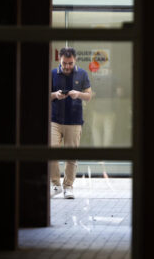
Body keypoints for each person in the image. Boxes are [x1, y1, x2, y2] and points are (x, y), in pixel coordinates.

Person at [50, 47, 92, 199]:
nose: (67, 66)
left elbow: (89, 96)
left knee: (71, 156)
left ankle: (68, 187)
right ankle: (55, 185)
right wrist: (55, 95)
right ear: (59, 60)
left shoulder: (82, 73)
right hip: (54, 119)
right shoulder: (53, 73)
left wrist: (78, 94)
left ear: (75, 61)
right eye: (64, 63)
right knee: (51, 151)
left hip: (74, 121)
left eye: (70, 63)